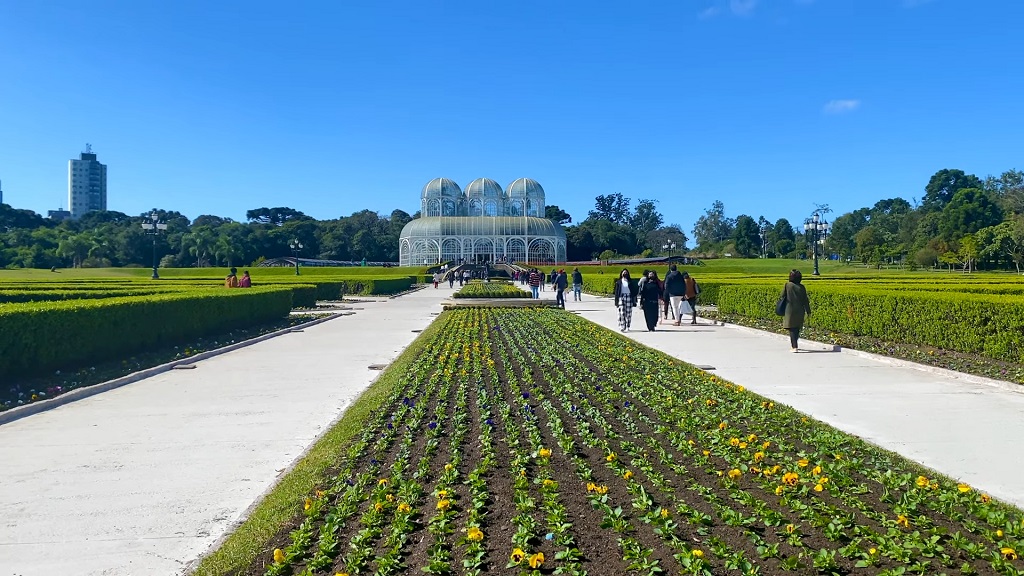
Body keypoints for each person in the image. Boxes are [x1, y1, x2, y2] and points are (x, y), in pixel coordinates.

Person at [782, 269, 812, 352]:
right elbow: (805, 300)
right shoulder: (802, 287)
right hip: (800, 310)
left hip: (789, 310)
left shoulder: (788, 285)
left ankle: (794, 346)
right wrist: (808, 310)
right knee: (797, 328)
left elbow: (782, 295)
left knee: (791, 328)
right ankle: (795, 344)